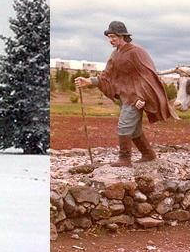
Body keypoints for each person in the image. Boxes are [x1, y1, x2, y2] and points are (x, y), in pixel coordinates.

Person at [74, 21, 173, 167]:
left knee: (124, 126)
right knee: (134, 129)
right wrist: (89, 81)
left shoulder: (137, 52)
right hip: (125, 97)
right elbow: (107, 76)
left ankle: (124, 159)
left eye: (113, 36)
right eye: (109, 37)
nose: (110, 40)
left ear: (122, 36)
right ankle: (148, 154)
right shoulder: (115, 55)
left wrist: (143, 97)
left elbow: (148, 75)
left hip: (136, 98)